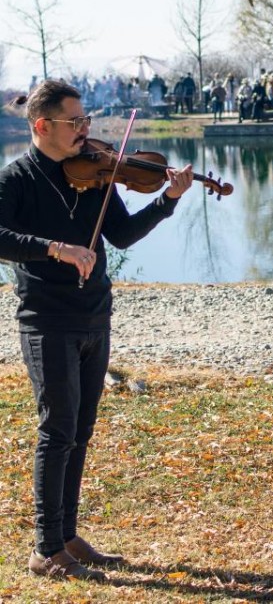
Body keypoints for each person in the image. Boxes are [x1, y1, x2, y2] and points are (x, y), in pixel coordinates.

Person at [0, 80, 193, 582]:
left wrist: (168, 199)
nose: (87, 130)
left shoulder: (96, 173)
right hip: (47, 319)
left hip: (94, 314)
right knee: (56, 430)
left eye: (86, 120)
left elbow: (122, 234)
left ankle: (66, 535)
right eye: (75, 123)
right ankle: (44, 549)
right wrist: (55, 248)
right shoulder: (16, 179)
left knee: (80, 431)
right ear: (43, 126)